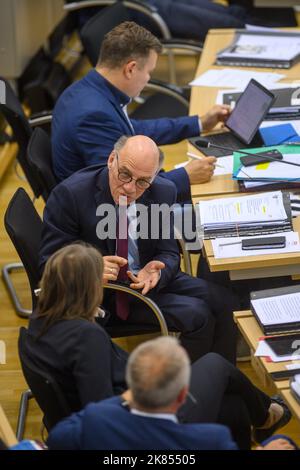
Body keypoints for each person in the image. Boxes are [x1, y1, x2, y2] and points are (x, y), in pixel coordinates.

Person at [40, 134, 238, 364]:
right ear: (111, 159)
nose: (130, 188)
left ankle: (223, 381)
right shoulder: (71, 195)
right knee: (198, 314)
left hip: (145, 281)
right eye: (124, 174)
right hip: (102, 294)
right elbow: (47, 265)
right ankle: (183, 392)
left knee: (226, 301)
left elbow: (169, 252)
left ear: (154, 178)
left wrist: (158, 272)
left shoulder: (163, 191)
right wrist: (90, 268)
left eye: (143, 181)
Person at [52, 21, 231, 202]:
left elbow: (134, 129)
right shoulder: (94, 116)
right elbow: (121, 191)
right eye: (148, 72)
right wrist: (185, 176)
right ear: (130, 69)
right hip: (106, 219)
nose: (148, 79)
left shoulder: (87, 89)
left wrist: (199, 123)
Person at [47, 337, 294, 450]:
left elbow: (55, 439)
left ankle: (262, 418)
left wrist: (117, 403)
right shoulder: (211, 440)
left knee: (233, 406)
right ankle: (266, 418)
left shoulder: (95, 420)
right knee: (287, 444)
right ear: (182, 395)